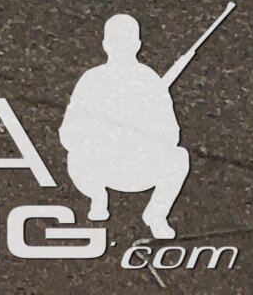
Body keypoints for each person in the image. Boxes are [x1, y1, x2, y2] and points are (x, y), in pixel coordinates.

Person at [60, 13, 193, 240]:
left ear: (136, 45)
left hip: (139, 167)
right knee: (76, 156)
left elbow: (172, 136)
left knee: (179, 157)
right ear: (106, 45)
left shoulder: (150, 81)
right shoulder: (92, 80)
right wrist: (102, 132)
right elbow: (68, 134)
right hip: (99, 167)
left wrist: (142, 130)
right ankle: (98, 198)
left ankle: (156, 215)